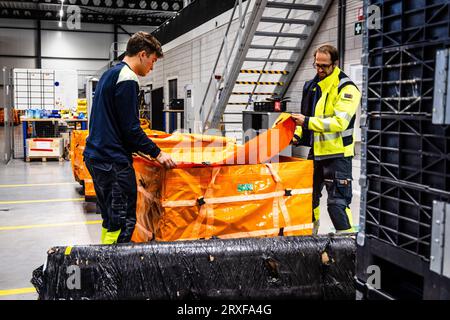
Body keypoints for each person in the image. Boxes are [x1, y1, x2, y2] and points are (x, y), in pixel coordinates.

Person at [83, 31, 176, 245]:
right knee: (124, 222)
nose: (152, 67)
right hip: (112, 162)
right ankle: (114, 271)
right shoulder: (127, 78)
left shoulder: (111, 73)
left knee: (111, 220)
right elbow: (131, 129)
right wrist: (158, 153)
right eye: (152, 61)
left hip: (97, 158)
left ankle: (104, 262)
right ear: (142, 55)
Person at [292, 45, 361, 235]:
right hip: (317, 152)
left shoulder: (347, 88)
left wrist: (306, 122)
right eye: (317, 65)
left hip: (338, 156)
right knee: (308, 200)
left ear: (335, 64)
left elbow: (339, 122)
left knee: (336, 206)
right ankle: (311, 238)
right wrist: (297, 133)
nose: (320, 70)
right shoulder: (314, 86)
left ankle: (348, 249)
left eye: (324, 66)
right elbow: (307, 113)